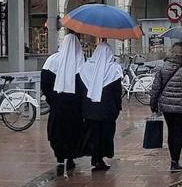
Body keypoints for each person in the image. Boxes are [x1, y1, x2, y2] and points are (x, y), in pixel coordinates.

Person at [150, 42, 182, 172]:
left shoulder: (163, 66)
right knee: (178, 132)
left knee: (171, 131)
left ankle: (173, 158)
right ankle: (175, 161)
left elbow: (155, 87)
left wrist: (153, 103)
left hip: (166, 106)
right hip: (181, 106)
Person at [40, 33, 85, 171]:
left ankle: (59, 154)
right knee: (73, 131)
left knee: (57, 130)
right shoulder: (80, 61)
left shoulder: (51, 60)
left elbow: (45, 83)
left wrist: (51, 99)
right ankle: (70, 156)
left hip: (57, 104)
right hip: (74, 106)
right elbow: (84, 85)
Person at [77, 42, 123, 171]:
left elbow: (81, 90)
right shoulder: (113, 69)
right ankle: (100, 158)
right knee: (105, 134)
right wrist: (117, 107)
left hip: (90, 109)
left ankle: (94, 156)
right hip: (108, 110)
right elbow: (117, 92)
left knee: (92, 133)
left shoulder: (85, 68)